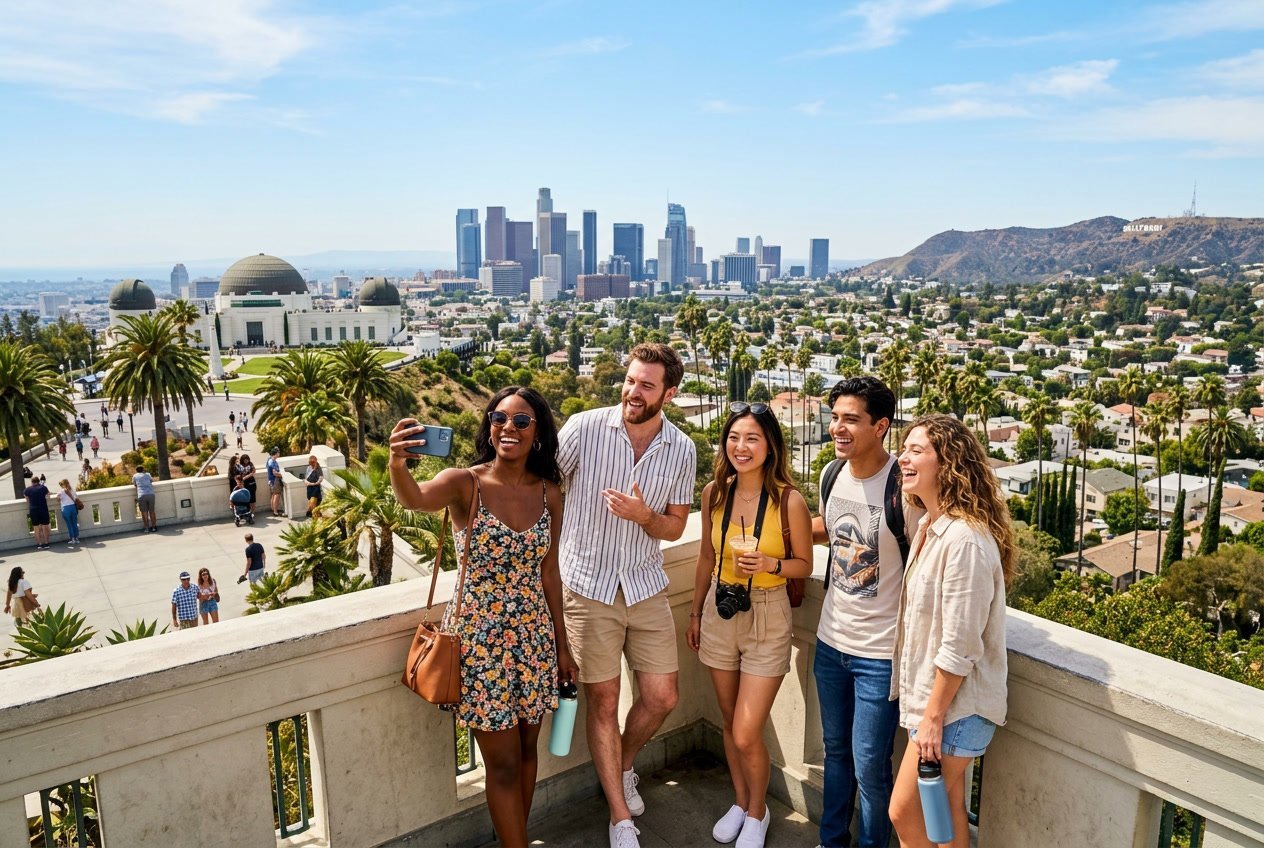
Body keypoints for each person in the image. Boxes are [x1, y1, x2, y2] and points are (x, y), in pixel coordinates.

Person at [389, 386, 576, 848]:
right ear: (488, 427)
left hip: (534, 636)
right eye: (499, 418)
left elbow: (549, 572)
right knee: (503, 762)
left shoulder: (551, 493)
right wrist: (397, 463)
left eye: (521, 421)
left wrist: (563, 644)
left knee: (529, 750)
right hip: (480, 640)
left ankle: (517, 838)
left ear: (538, 433)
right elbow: (414, 499)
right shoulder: (464, 482)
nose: (508, 428)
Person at [556, 342, 696, 848]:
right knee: (604, 702)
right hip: (587, 586)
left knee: (662, 697)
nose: (633, 392)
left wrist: (645, 518)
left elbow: (676, 526)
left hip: (644, 584)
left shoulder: (681, 448)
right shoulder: (583, 428)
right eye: (631, 380)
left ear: (670, 393)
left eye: (646, 385)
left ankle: (624, 764)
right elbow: (547, 488)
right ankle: (619, 816)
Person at [686, 402, 813, 848]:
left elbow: (804, 565)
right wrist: (696, 611)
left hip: (767, 614)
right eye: (734, 437)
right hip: (721, 611)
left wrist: (771, 563)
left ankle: (758, 813)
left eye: (752, 438)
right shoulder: (714, 494)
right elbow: (706, 556)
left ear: (770, 445)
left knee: (745, 730)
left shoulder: (788, 500)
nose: (741, 447)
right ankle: (740, 802)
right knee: (727, 720)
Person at [888, 415, 1015, 848]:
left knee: (906, 814)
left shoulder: (964, 540)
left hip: (953, 712)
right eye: (903, 449)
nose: (902, 457)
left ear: (949, 462)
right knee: (950, 810)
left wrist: (932, 719)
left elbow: (961, 645)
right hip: (941, 707)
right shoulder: (930, 526)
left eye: (916, 450)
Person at [813, 376, 922, 848]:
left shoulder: (906, 487)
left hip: (879, 655)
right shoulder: (831, 475)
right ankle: (832, 840)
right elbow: (829, 530)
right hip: (830, 642)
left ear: (880, 426)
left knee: (871, 768)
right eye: (835, 417)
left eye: (851, 419)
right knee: (834, 754)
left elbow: (927, 558)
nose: (838, 427)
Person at [24, 474, 52, 550]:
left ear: (31, 482)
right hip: (43, 509)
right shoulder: (43, 488)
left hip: (33, 510)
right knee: (44, 527)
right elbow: (48, 495)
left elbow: (27, 499)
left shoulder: (27, 489)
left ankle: (39, 544)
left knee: (36, 528)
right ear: (38, 481)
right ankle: (46, 543)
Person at [133, 463, 157, 533]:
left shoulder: (135, 476)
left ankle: (146, 528)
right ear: (143, 470)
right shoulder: (148, 474)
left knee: (144, 512)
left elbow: (135, 484)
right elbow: (151, 481)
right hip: (151, 494)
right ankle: (154, 527)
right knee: (152, 512)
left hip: (141, 495)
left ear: (136, 471)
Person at [57, 479, 82, 546]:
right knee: (74, 523)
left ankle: (72, 539)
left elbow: (58, 500)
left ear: (62, 485)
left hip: (66, 509)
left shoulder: (60, 491)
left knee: (69, 524)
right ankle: (76, 538)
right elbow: (76, 498)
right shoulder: (72, 490)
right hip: (73, 508)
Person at [265, 448, 284, 516]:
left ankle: (273, 509)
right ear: (275, 454)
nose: (279, 454)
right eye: (278, 453)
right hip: (274, 480)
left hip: (271, 481)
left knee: (273, 495)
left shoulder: (270, 460)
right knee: (277, 495)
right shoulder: (272, 462)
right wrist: (282, 474)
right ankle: (275, 511)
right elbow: (275, 473)